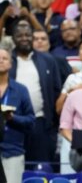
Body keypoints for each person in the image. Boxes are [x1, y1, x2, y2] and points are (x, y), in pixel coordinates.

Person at [9, 21, 61, 168]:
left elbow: (56, 91)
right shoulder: (6, 61)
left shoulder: (48, 60)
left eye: (27, 35)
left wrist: (52, 124)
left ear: (32, 37)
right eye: (20, 35)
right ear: (13, 38)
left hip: (40, 123)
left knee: (40, 168)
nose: (24, 38)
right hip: (13, 124)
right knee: (14, 169)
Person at [0, 47, 35, 183]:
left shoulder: (20, 90)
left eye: (4, 58)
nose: (0, 61)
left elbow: (31, 120)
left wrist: (12, 118)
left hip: (13, 150)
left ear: (10, 64)